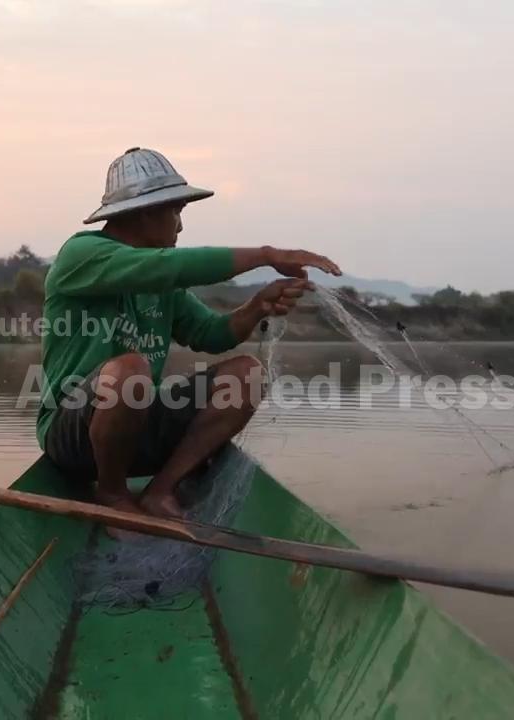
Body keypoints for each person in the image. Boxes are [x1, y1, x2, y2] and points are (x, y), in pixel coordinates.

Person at [38, 147, 340, 522]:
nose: (180, 226)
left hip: (136, 427)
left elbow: (212, 335)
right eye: (175, 212)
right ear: (145, 212)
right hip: (71, 434)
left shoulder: (164, 285)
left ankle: (161, 489)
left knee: (246, 374)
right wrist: (266, 254)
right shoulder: (82, 254)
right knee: (131, 370)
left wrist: (257, 305)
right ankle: (113, 495)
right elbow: (172, 267)